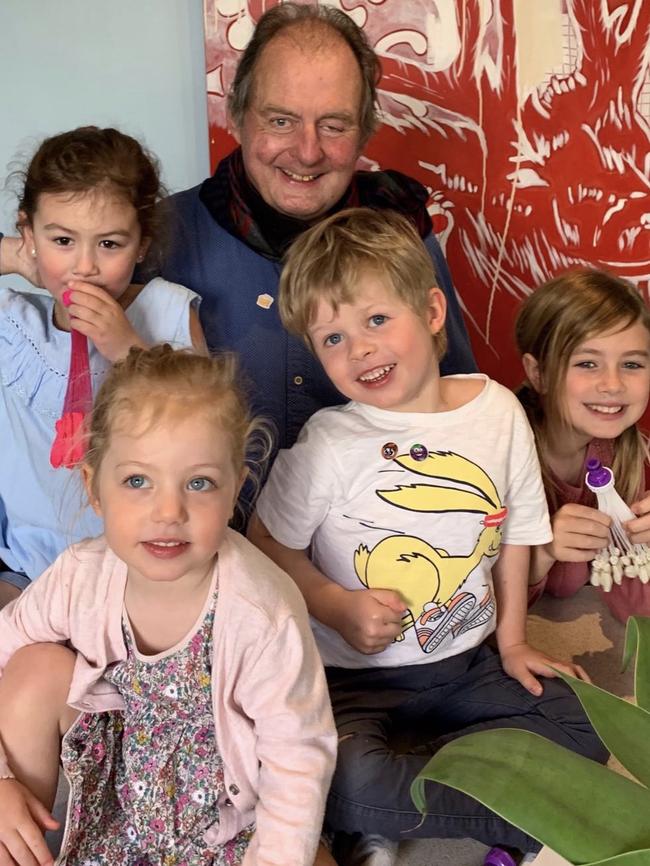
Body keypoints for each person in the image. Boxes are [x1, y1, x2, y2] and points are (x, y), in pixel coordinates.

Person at [247, 208, 608, 866]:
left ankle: (402, 810)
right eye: (332, 338)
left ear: (433, 311)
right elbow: (264, 542)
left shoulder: (496, 410)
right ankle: (514, 814)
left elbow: (521, 529)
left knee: (586, 725)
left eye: (376, 320)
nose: (358, 349)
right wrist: (333, 605)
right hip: (352, 679)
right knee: (334, 774)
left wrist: (516, 641)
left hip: (467, 662)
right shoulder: (329, 445)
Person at [0, 344, 337, 866]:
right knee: (31, 669)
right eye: (137, 481)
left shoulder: (262, 611)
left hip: (228, 823)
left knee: (304, 851)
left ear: (233, 492)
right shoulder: (79, 576)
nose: (168, 511)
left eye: (198, 484)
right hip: (116, 808)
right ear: (94, 488)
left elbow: (298, 758)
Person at [157, 2, 476, 452]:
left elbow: (458, 402)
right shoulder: (159, 236)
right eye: (281, 120)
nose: (307, 152)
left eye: (333, 125)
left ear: (364, 133)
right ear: (236, 116)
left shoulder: (403, 229)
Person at [0, 126, 204, 607]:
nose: (84, 267)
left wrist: (129, 351)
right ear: (29, 231)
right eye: (63, 239)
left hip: (136, 575)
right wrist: (17, 255)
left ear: (142, 243)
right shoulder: (13, 324)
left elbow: (203, 439)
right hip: (29, 571)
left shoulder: (168, 312)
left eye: (110, 244)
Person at [515, 268, 650, 622]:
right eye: (587, 363)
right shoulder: (499, 459)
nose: (612, 384)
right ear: (538, 373)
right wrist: (541, 554)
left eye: (632, 364)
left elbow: (633, 597)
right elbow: (466, 601)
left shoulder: (624, 453)